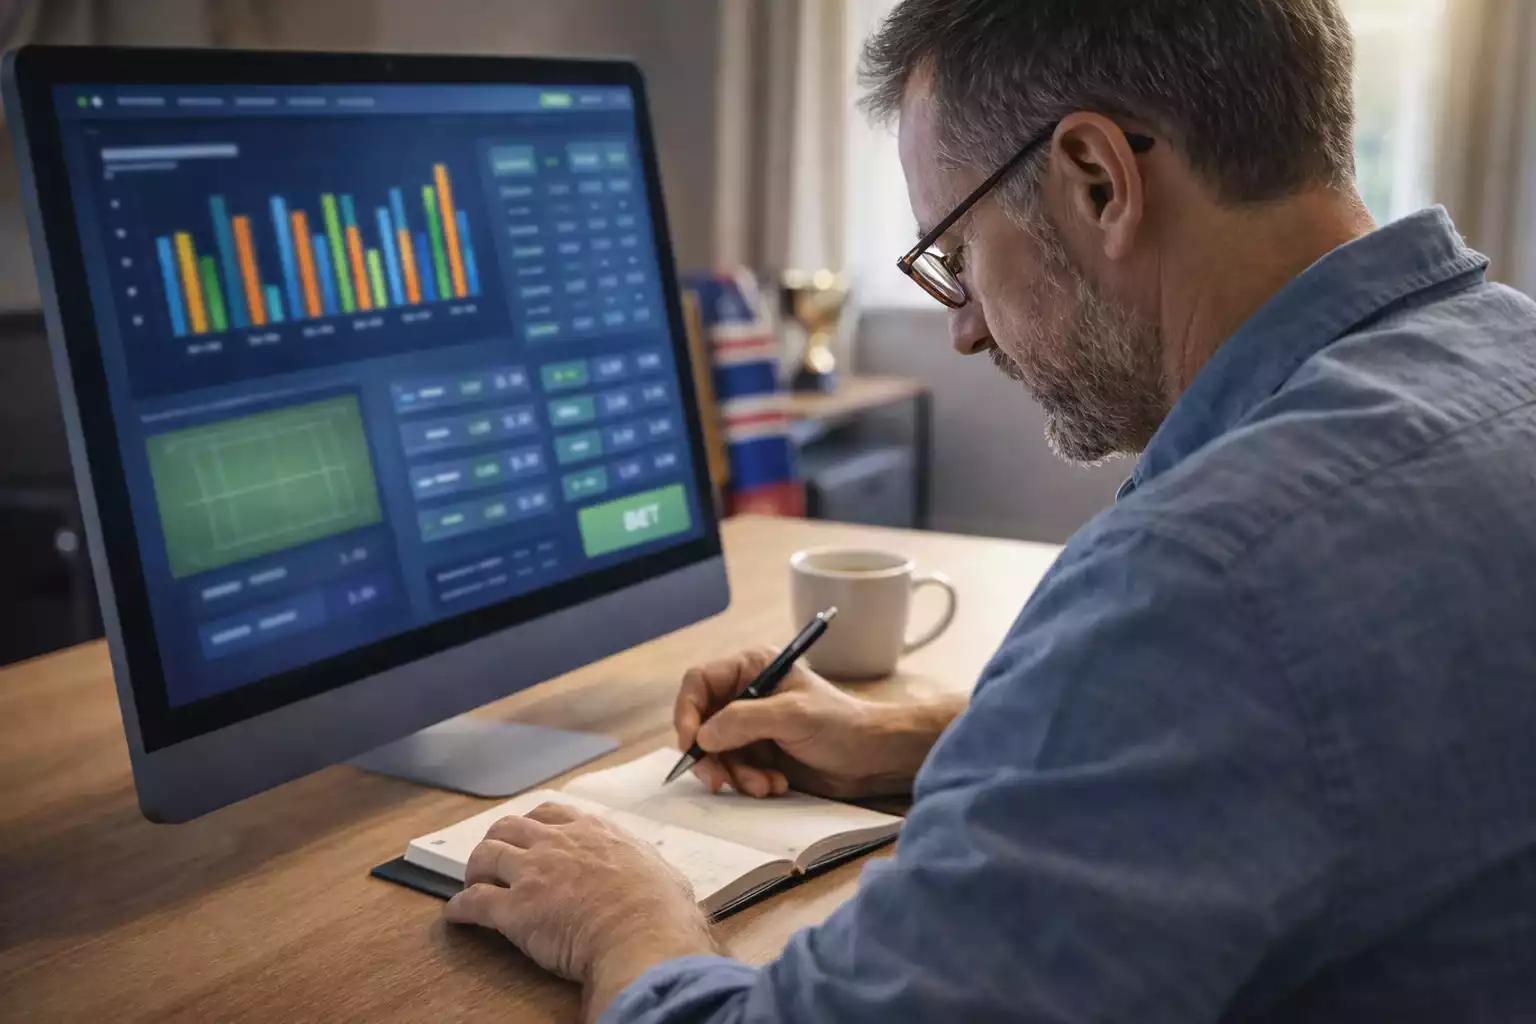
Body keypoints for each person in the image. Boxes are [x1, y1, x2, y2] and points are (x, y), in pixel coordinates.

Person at [442, 1, 1536, 1020]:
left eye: (956, 256)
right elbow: (1324, 739)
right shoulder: (1508, 358)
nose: (963, 329)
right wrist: (938, 739)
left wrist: (632, 920)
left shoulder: (1207, 578)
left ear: (1098, 179)